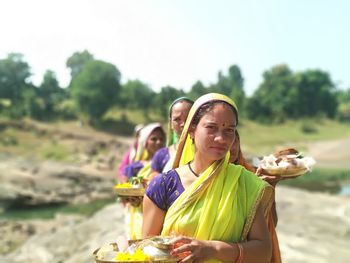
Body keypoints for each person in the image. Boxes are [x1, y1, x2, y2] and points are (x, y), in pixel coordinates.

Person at [143, 93, 276, 263]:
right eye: (211, 127)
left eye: (229, 130)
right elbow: (145, 252)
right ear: (191, 130)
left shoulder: (243, 183)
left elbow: (263, 251)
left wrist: (213, 249)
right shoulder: (164, 185)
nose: (221, 138)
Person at [122, 123, 165, 240]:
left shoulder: (168, 164)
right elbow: (125, 189)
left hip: (161, 211)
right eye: (154, 139)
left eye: (161, 139)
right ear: (145, 142)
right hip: (139, 212)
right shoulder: (135, 167)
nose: (158, 142)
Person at [151, 97, 194, 176]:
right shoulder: (161, 155)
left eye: (189, 118)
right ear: (171, 123)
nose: (184, 124)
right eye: (177, 119)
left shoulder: (207, 154)